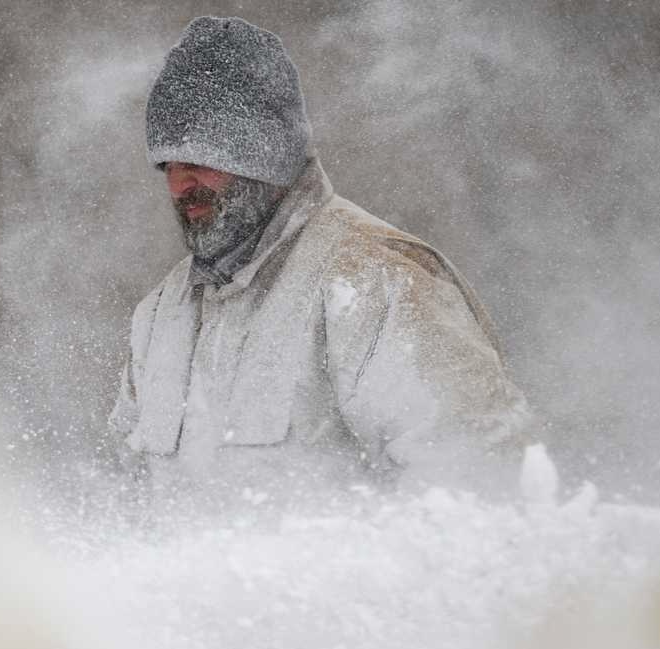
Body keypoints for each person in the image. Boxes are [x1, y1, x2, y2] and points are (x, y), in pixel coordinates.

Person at [109, 16, 532, 516]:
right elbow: (126, 505)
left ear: (261, 153)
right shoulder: (162, 314)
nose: (179, 187)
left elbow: (472, 485)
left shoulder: (371, 278)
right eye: (168, 166)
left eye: (198, 161)